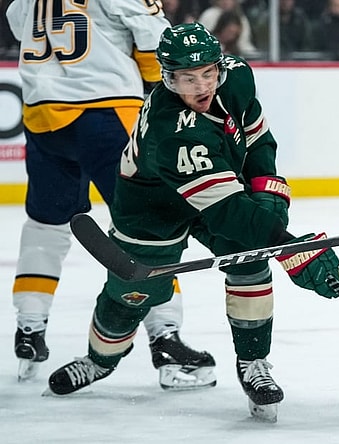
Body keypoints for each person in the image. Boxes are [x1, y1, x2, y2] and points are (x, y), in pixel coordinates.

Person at [46, 23, 339, 422]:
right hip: (151, 206)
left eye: (207, 73)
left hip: (217, 182)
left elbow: (257, 142)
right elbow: (226, 212)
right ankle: (101, 359)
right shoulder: (172, 132)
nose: (201, 86)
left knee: (249, 259)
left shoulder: (236, 77)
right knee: (133, 294)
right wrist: (289, 247)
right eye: (187, 78)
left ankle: (252, 363)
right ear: (167, 77)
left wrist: (270, 204)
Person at [5, 0, 217, 387]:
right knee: (152, 228)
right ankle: (165, 337)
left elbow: (17, 25)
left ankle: (29, 328)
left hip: (43, 119)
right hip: (107, 115)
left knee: (46, 224)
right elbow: (156, 40)